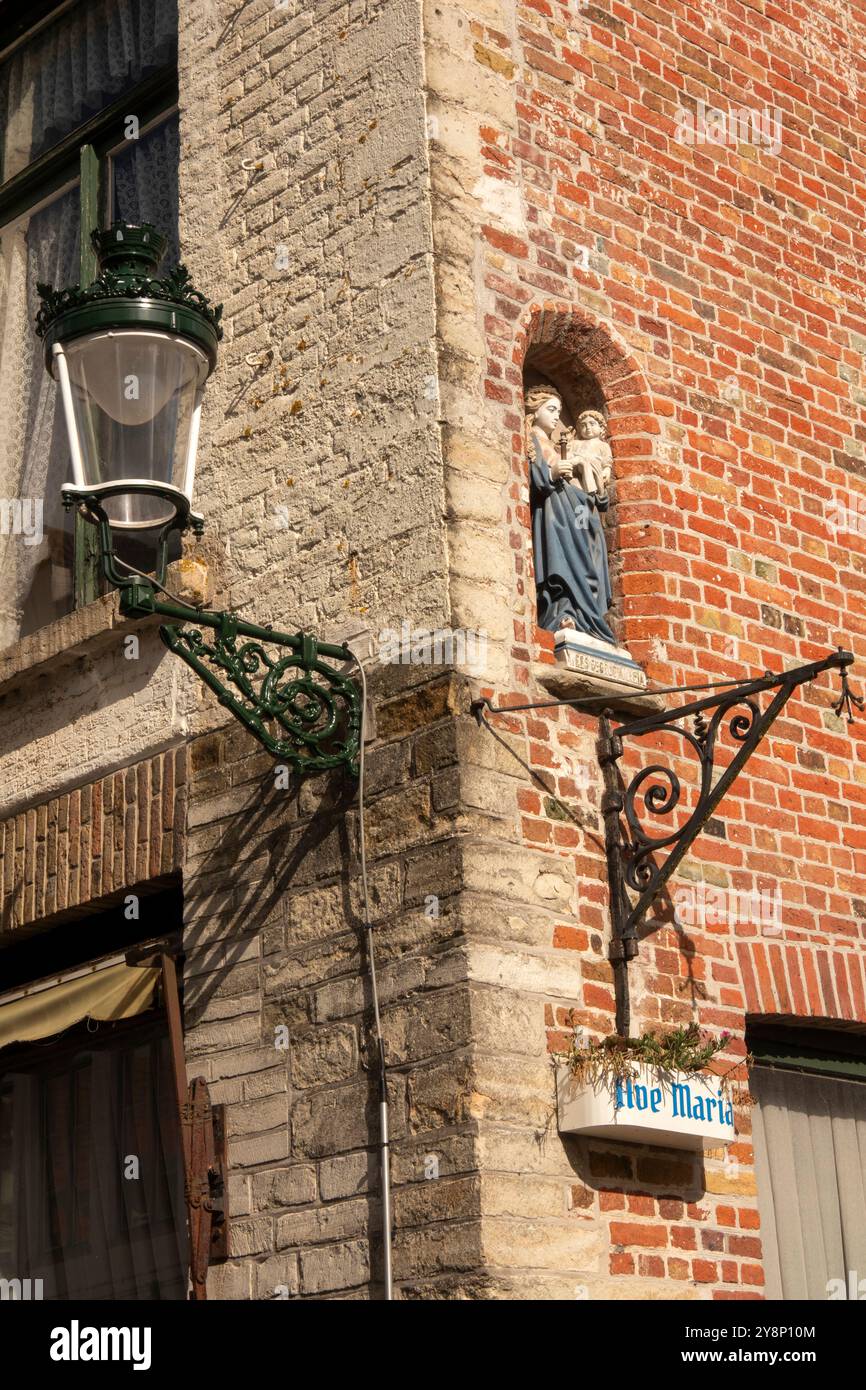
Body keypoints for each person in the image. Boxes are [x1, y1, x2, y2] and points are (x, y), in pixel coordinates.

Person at [524, 382, 616, 642]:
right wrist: (553, 472)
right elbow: (535, 475)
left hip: (573, 509)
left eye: (559, 410)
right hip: (555, 510)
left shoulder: (557, 443)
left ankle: (587, 618)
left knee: (585, 558)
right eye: (551, 409)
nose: (556, 416)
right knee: (561, 562)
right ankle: (563, 613)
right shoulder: (531, 437)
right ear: (535, 410)